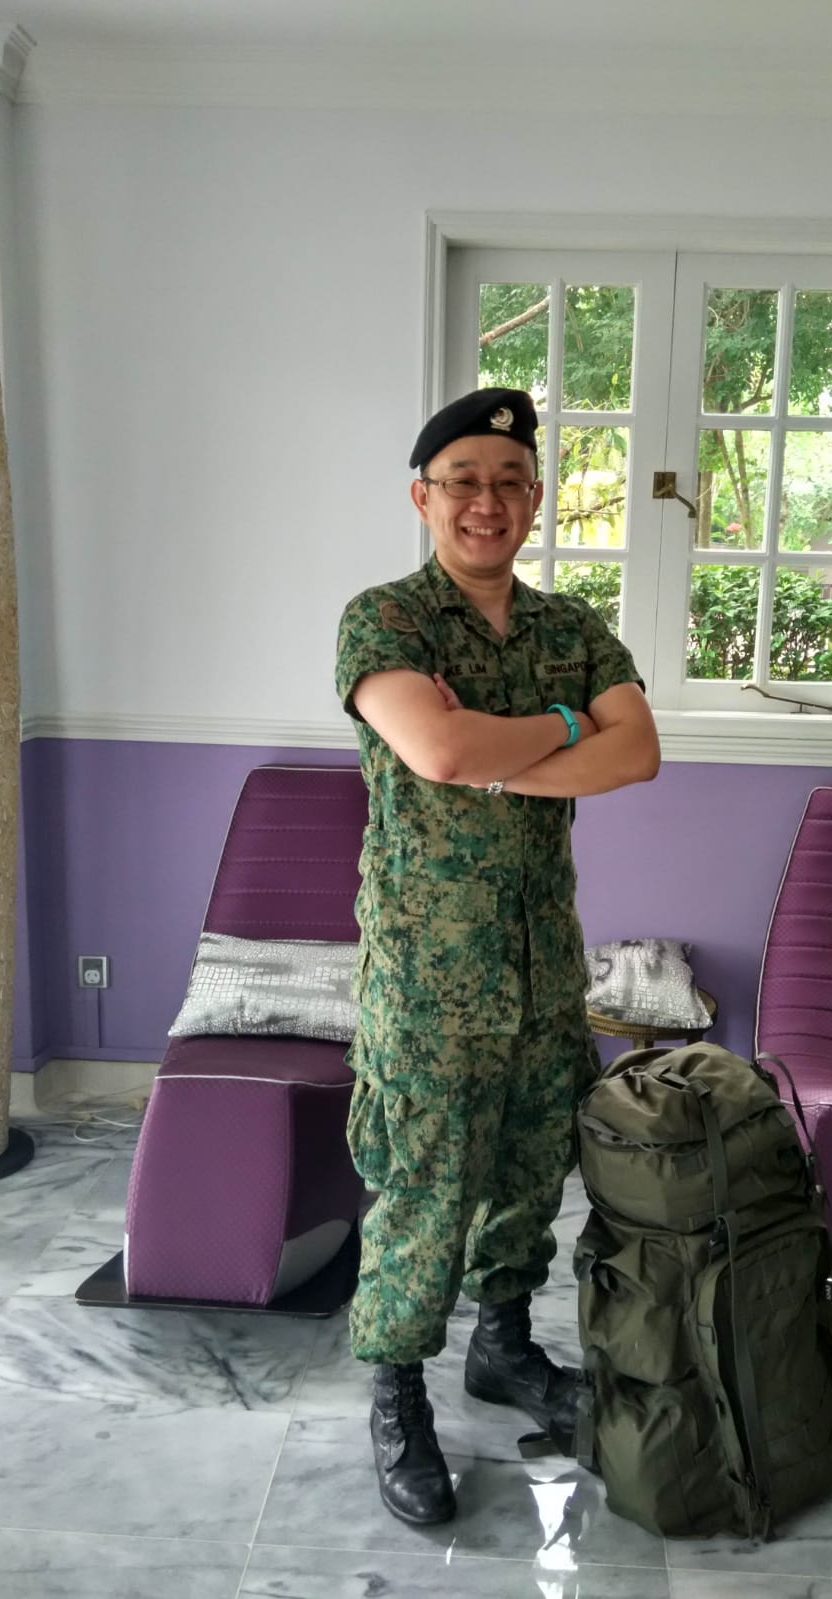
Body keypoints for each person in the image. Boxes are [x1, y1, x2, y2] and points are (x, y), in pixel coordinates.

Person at [334, 387, 660, 1526]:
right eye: (463, 480)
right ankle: (397, 1392)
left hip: (542, 972)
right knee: (424, 1195)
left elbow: (639, 756)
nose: (488, 501)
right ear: (423, 497)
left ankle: (504, 1349)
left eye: (511, 482)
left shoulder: (572, 629)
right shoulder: (388, 621)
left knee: (527, 1181)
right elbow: (433, 744)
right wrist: (564, 731)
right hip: (429, 980)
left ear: (534, 501)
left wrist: (513, 748)